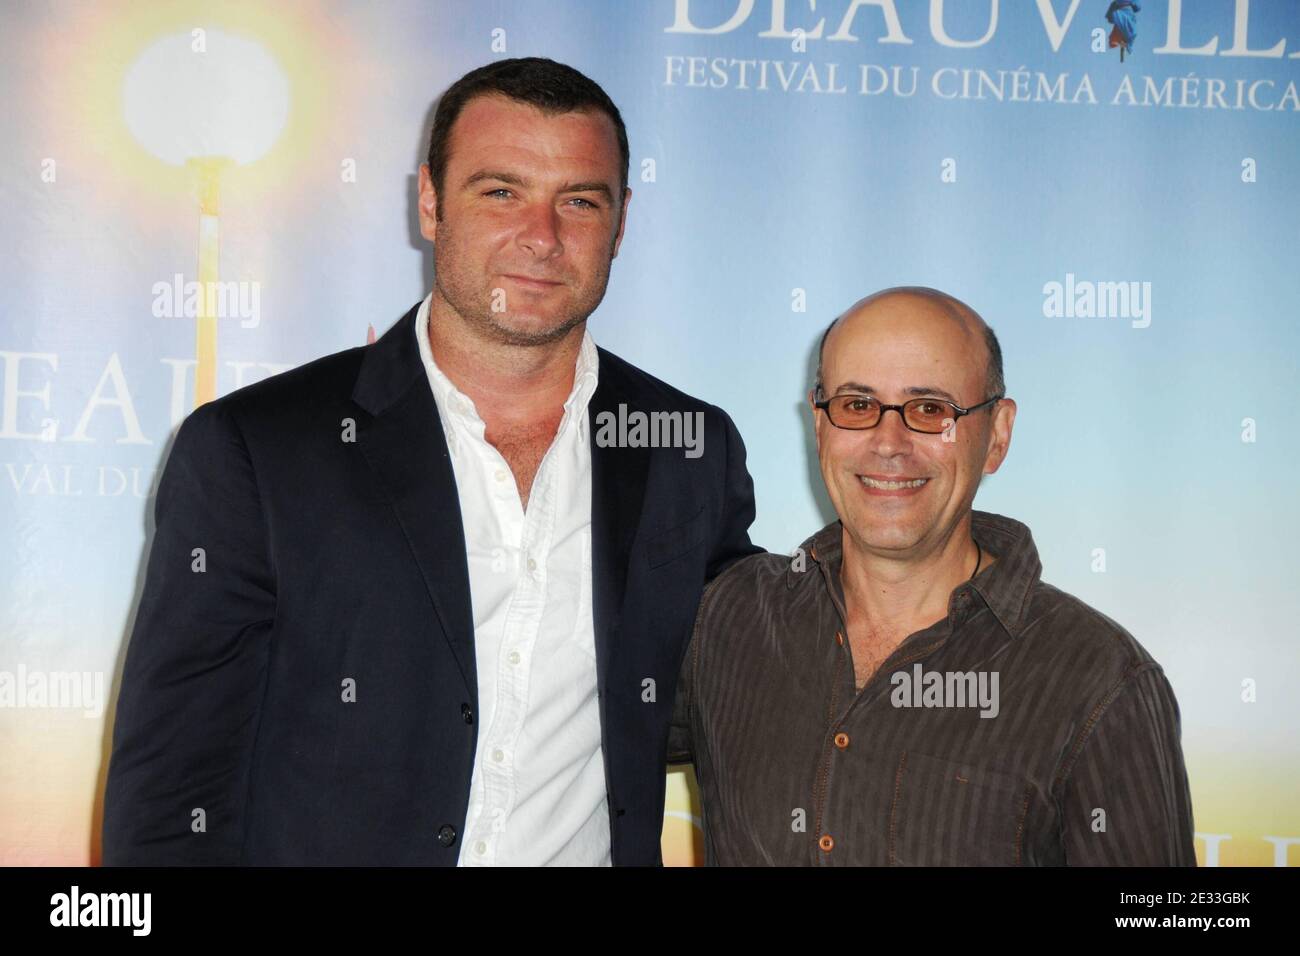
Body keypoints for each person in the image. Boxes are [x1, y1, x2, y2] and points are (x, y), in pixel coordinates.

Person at [103, 57, 759, 866]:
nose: (542, 238)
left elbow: (761, 668)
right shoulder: (256, 451)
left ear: (621, 223)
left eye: (579, 202)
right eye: (501, 192)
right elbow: (171, 789)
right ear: (429, 203)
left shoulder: (685, 447)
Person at [670, 287, 1196, 866]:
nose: (889, 444)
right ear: (819, 426)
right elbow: (579, 752)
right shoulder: (729, 617)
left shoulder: (1101, 682)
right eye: (857, 404)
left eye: (929, 410)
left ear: (996, 435)